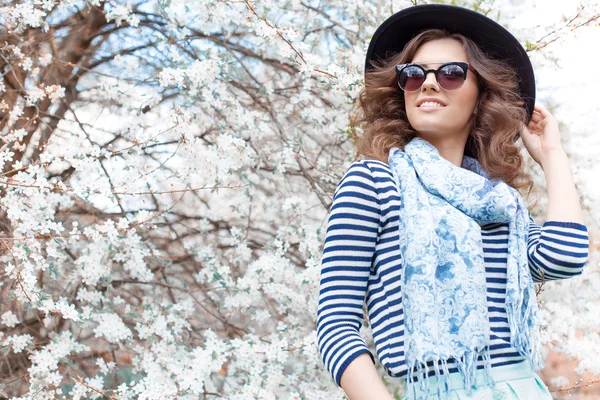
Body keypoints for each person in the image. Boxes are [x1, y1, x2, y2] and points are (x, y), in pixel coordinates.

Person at [316, 4, 590, 400]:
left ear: (482, 95)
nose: (428, 84)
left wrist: (552, 155)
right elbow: (336, 324)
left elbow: (564, 256)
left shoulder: (500, 200)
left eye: (451, 73)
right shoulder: (372, 181)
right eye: (413, 75)